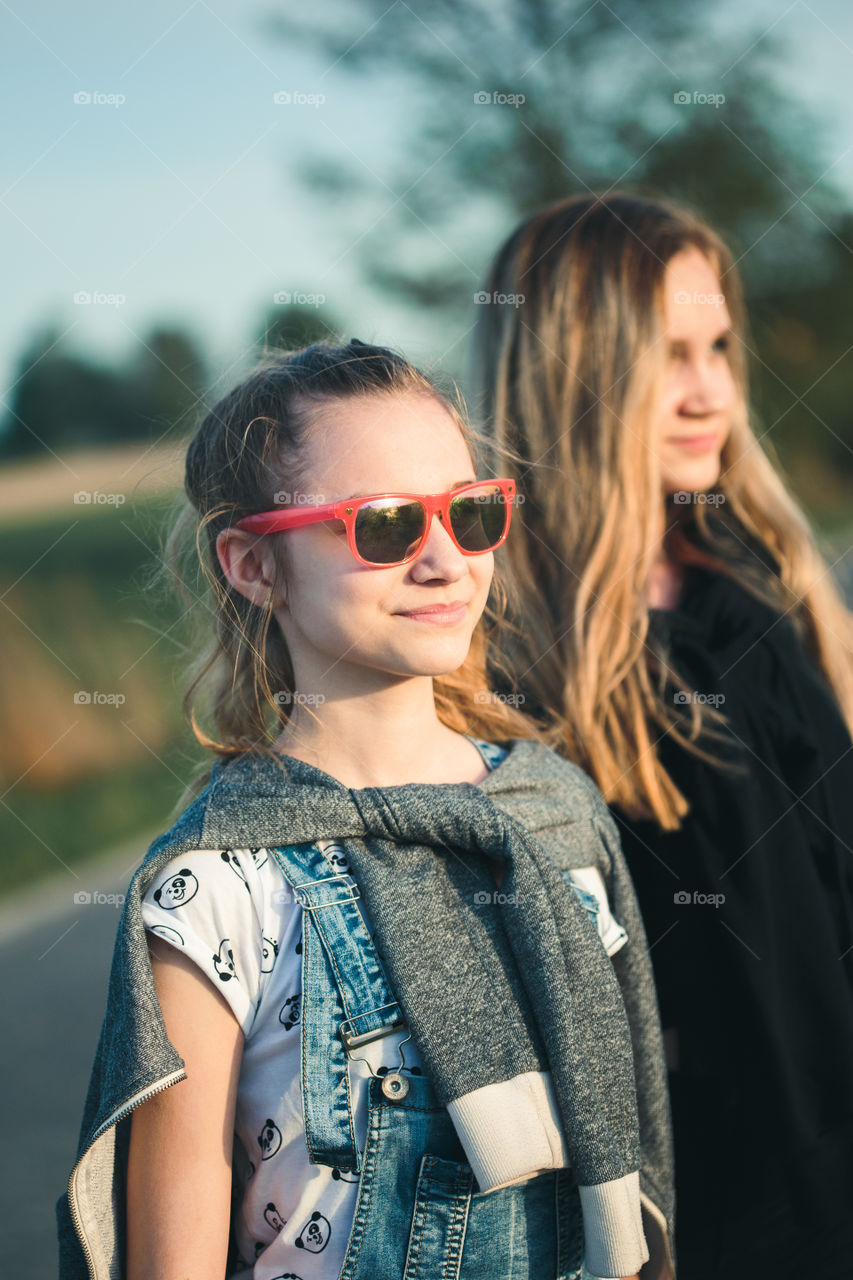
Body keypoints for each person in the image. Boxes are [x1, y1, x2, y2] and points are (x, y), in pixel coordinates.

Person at [55, 339, 675, 1280]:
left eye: (469, 515)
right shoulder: (216, 888)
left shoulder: (553, 812)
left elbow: (635, 1165)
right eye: (383, 525)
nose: (442, 561)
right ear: (253, 566)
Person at [471, 192, 853, 1279]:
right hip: (701, 1208)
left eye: (719, 346)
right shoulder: (503, 659)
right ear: (572, 371)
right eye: (667, 354)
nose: (712, 391)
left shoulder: (764, 585)